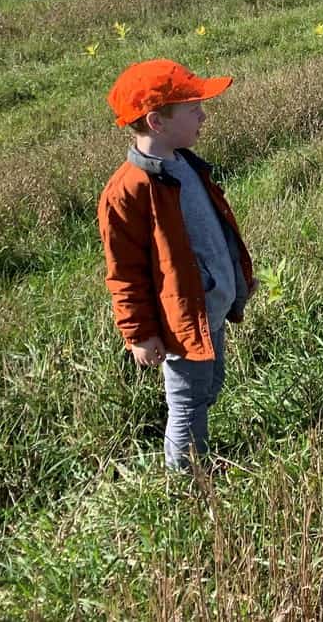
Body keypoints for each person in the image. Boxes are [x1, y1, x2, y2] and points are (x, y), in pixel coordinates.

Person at [97, 58, 254, 471]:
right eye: (193, 108)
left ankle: (192, 451)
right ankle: (187, 480)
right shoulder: (127, 192)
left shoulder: (186, 164)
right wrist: (140, 334)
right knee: (186, 401)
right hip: (181, 320)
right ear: (157, 122)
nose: (203, 115)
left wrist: (238, 277)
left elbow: (215, 231)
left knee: (210, 386)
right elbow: (124, 273)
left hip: (211, 307)